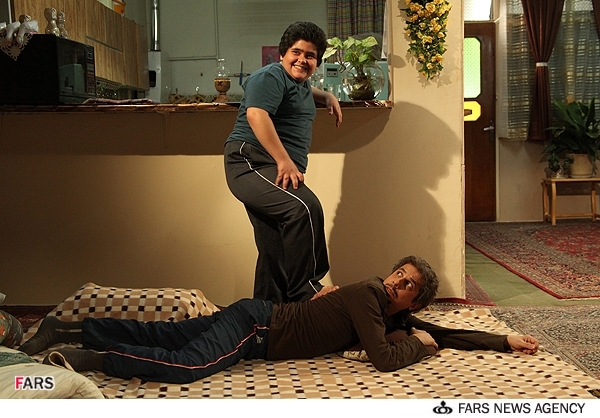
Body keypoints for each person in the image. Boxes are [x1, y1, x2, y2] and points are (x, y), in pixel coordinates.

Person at [19, 255, 539, 384]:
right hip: (258, 328)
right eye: (398, 274)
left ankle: (69, 328)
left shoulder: (390, 316)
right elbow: (384, 358)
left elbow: (444, 332)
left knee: (166, 333)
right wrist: (418, 348)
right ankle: (87, 358)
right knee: (188, 366)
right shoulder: (366, 294)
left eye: (407, 286)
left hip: (255, 318)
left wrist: (503, 341)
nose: (396, 283)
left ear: (414, 303)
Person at [224, 21, 343, 303]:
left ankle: (267, 316)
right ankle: (307, 288)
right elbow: (256, 114)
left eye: (310, 56)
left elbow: (301, 92)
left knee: (274, 249)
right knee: (304, 207)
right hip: (250, 162)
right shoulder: (270, 76)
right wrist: (284, 161)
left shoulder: (298, 83)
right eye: (296, 52)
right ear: (282, 54)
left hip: (267, 166)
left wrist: (326, 95)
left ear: (317, 62)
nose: (302, 60)